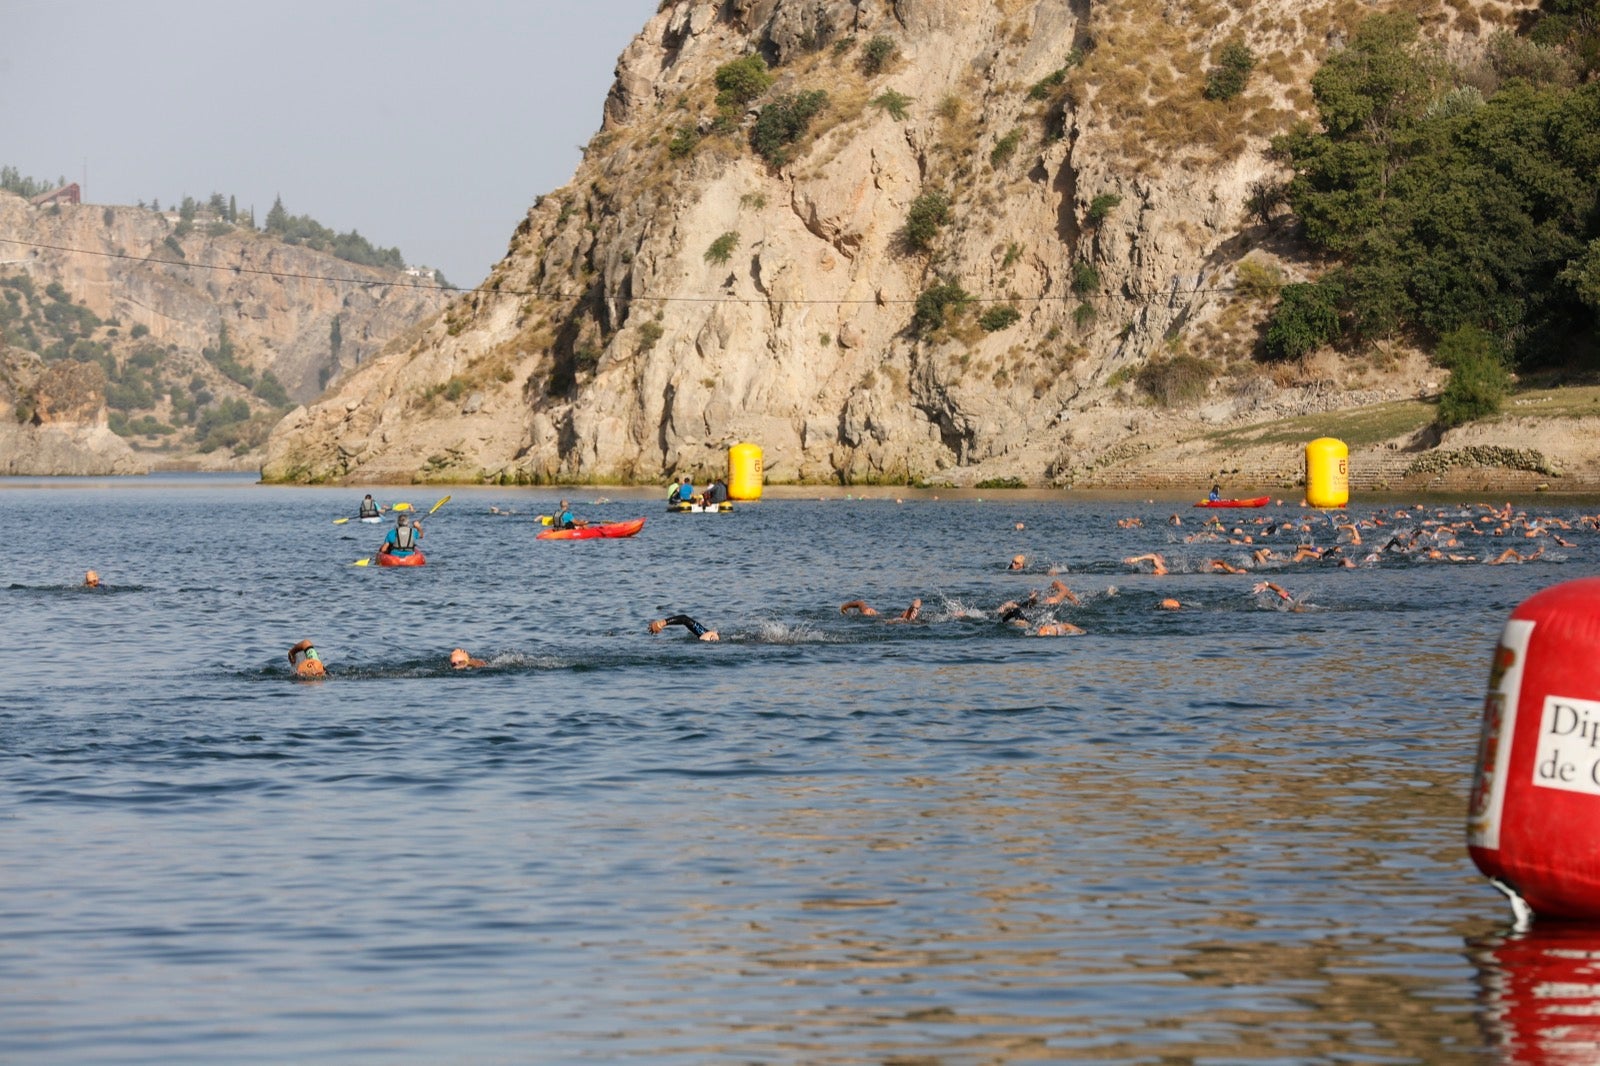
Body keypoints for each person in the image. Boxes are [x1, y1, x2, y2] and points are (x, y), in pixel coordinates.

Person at [649, 614, 719, 641]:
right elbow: (684, 619)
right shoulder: (705, 634)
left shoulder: (705, 636)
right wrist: (662, 623)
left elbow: (684, 619)